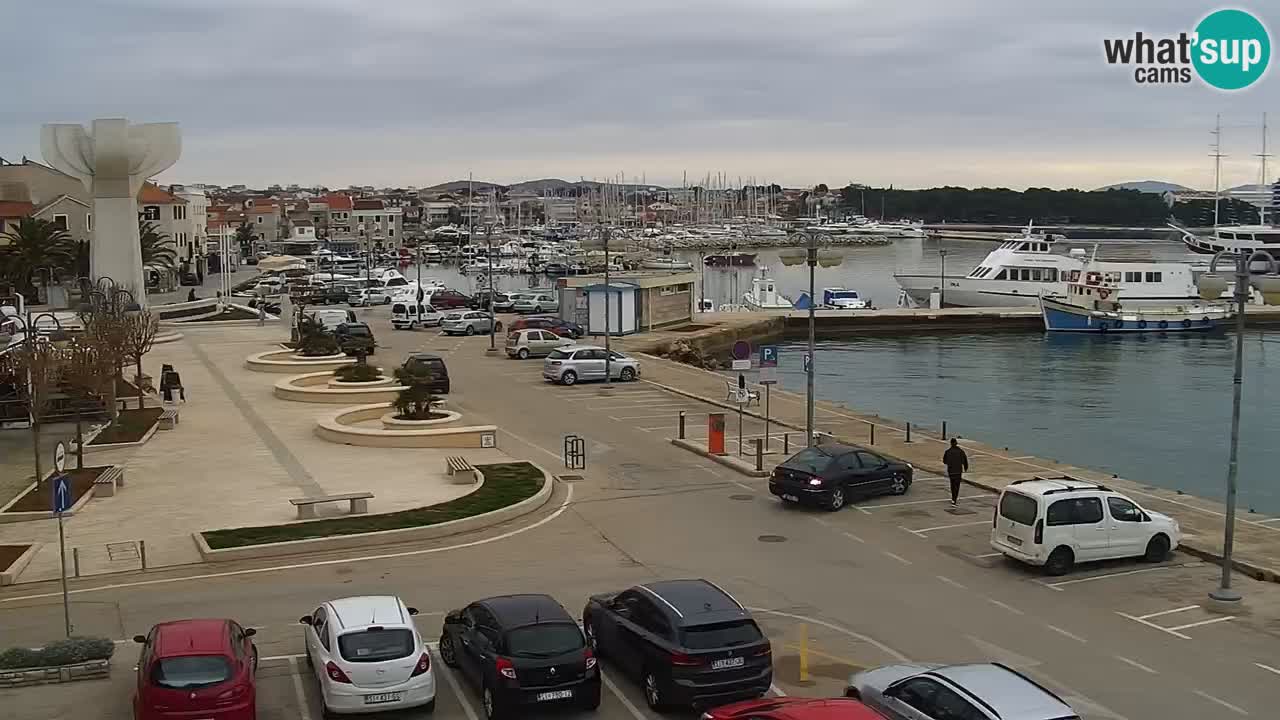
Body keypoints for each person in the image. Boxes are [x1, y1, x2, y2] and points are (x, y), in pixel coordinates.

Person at [942, 438, 969, 506]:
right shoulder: (961, 451)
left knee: (952, 485)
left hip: (951, 471)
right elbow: (965, 461)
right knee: (957, 486)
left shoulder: (947, 452)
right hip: (958, 471)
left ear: (951, 443)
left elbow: (944, 461)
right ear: (956, 443)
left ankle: (953, 498)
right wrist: (965, 468)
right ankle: (955, 498)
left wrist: (949, 463)